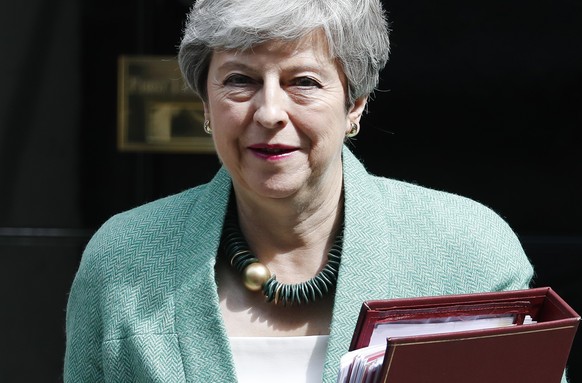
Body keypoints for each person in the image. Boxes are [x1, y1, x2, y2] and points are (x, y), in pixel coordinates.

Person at [63, 0, 553, 382]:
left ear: (355, 104)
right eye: (240, 80)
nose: (270, 111)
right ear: (206, 105)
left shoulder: (468, 251)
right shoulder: (125, 259)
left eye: (303, 81)